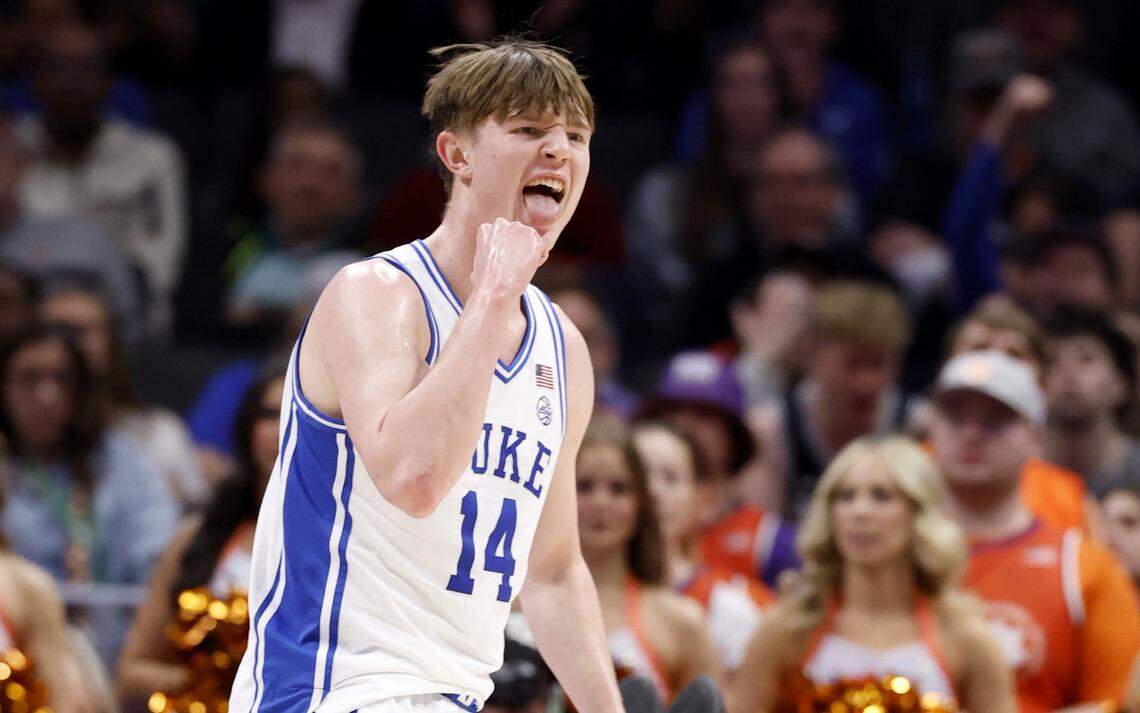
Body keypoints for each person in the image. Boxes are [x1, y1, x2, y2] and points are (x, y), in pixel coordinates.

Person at [228, 38, 627, 713]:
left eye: (576, 137)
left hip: (453, 696)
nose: (558, 151)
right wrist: (493, 294)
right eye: (528, 130)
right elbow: (413, 478)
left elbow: (554, 573)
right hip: (331, 689)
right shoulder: (376, 295)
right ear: (457, 154)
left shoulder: (563, 347)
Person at [727, 436, 1016, 713]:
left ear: (919, 512)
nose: (860, 511)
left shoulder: (965, 638)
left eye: (881, 496)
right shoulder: (789, 629)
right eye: (846, 496)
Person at [928, 350, 1140, 711]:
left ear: (1036, 438)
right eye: (955, 418)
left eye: (995, 421)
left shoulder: (1081, 567)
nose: (971, 434)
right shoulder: (890, 556)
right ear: (931, 429)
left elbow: (1118, 704)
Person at [0, 324, 179, 664]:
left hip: (116, 647)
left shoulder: (121, 460)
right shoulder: (4, 464)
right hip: (14, 654)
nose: (48, 395)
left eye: (62, 379)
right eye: (29, 379)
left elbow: (160, 560)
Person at [117, 369, 285, 707]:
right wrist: (211, 679)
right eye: (269, 415)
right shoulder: (199, 538)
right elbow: (130, 672)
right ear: (246, 430)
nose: (283, 428)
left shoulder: (351, 540)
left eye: (297, 414)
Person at [576, 415, 721, 701]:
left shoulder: (680, 621)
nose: (601, 502)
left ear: (642, 503)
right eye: (584, 486)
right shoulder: (511, 605)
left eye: (619, 488)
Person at [39, 281, 208, 510]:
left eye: (78, 332)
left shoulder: (159, 433)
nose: (66, 344)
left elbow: (197, 515)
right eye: (53, 330)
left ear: (112, 342)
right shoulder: (9, 448)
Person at [631, 419, 773, 673]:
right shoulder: (578, 592)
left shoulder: (732, 605)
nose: (652, 491)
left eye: (670, 478)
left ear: (704, 502)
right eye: (638, 476)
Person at [1043, 308, 1140, 496]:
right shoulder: (1014, 473)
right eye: (1053, 361)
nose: (1069, 373)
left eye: (1086, 359)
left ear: (1121, 383)